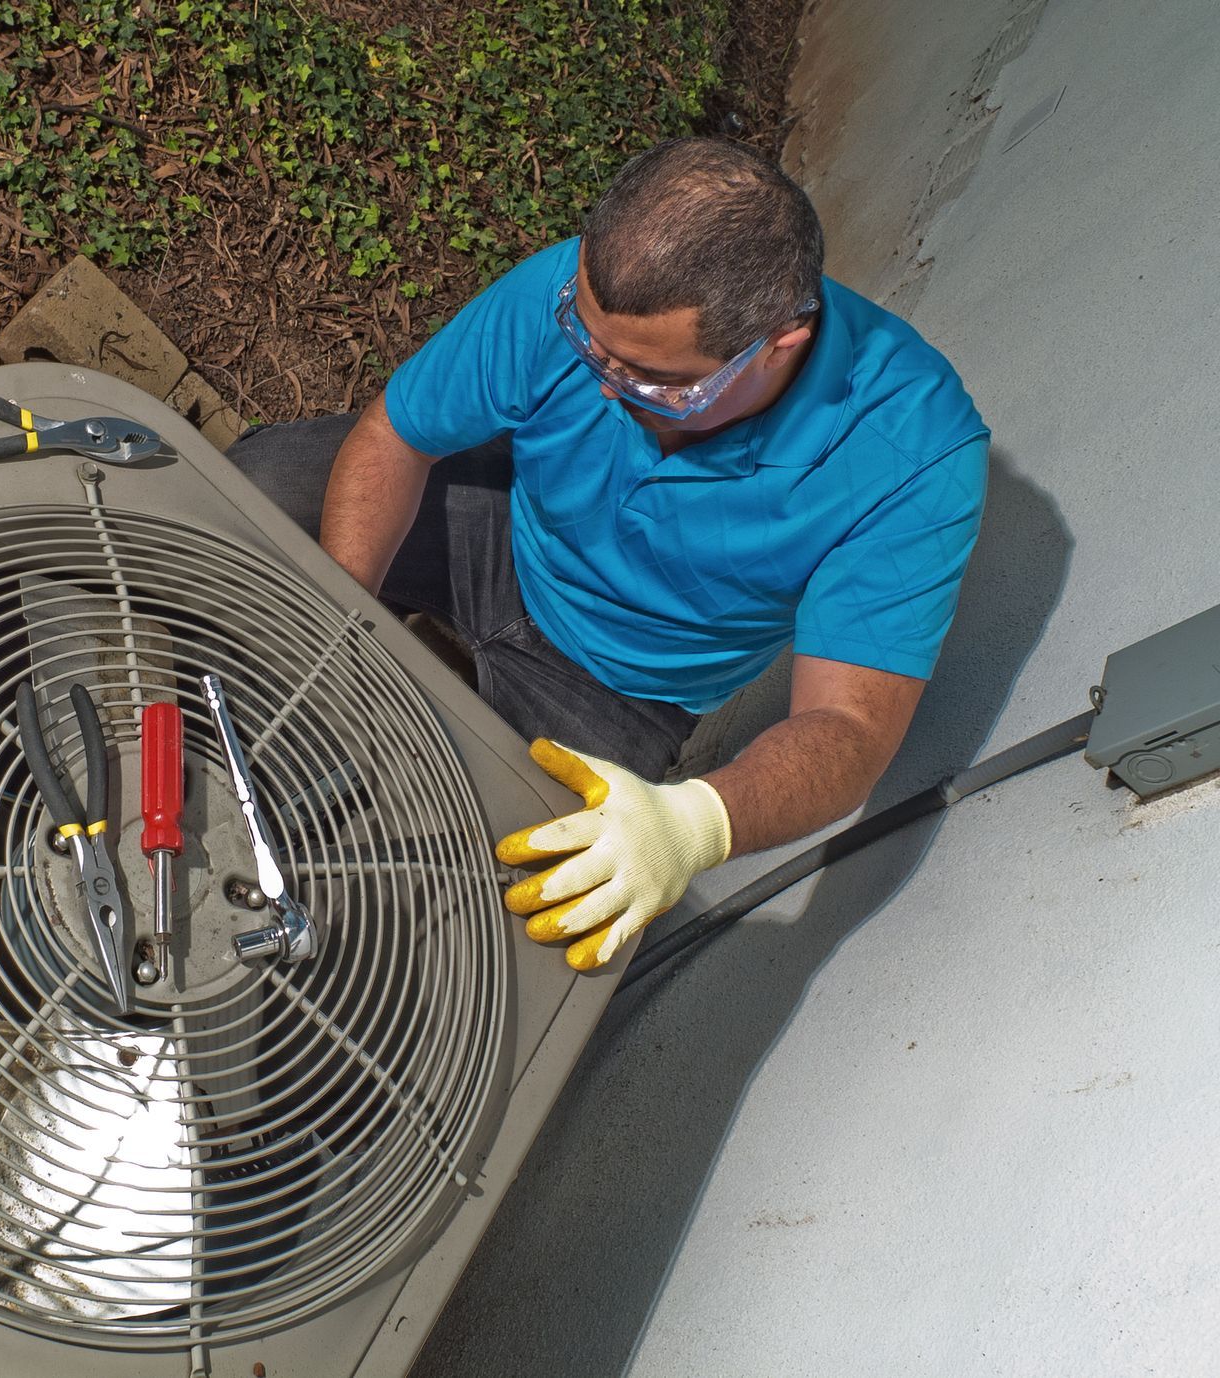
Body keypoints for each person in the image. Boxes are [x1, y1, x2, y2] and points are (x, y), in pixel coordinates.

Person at [227, 138, 989, 973]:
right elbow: (397, 435)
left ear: (780, 343)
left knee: (497, 913)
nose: (602, 384)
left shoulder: (914, 451)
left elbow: (846, 729)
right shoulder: (582, 294)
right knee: (260, 483)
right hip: (500, 527)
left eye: (651, 378)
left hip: (620, 691)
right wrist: (339, 613)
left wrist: (694, 825)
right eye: (589, 346)